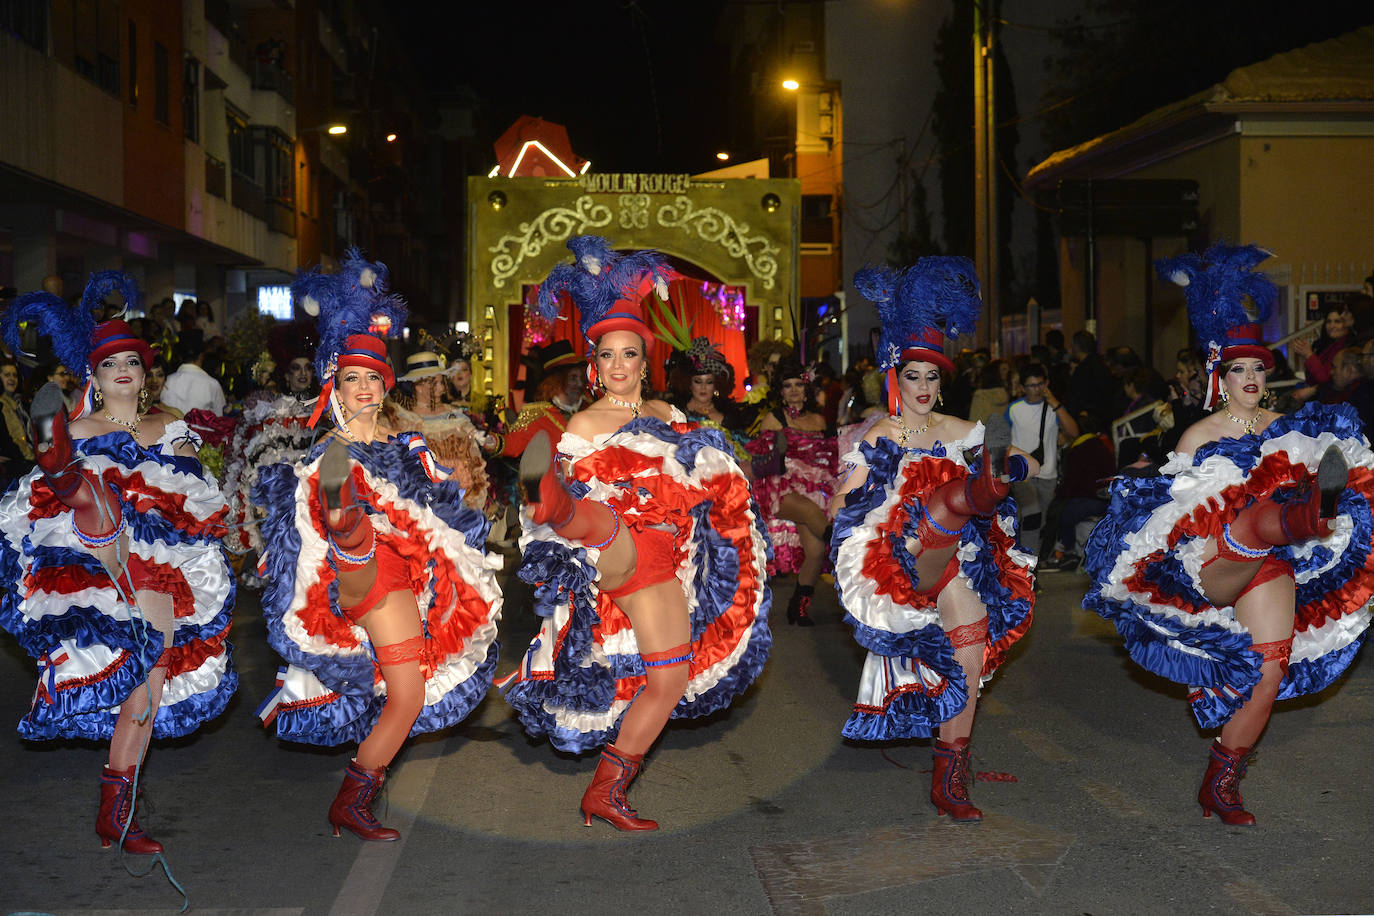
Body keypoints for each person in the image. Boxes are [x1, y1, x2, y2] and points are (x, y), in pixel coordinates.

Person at [1085, 243, 1374, 826]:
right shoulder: (1197, 436)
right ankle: (1302, 516)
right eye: (1238, 368)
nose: (1250, 377)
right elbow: (1176, 515)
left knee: (1271, 671)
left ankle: (1223, 778)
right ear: (1219, 373)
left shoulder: (1291, 431)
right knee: (1252, 525)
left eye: (1258, 367)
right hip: (1211, 561)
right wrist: (1140, 487)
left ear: (1268, 374)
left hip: (1271, 561)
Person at [499, 235, 771, 831]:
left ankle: (608, 788)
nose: (618, 366)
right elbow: (581, 469)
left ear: (645, 363)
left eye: (628, 355)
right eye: (607, 356)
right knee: (604, 526)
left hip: (667, 558)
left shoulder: (670, 418)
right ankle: (553, 502)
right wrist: (555, 490)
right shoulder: (584, 420)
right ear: (594, 365)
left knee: (669, 680)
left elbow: (709, 473)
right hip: (612, 547)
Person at [252, 253, 502, 843]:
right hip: (364, 577)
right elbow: (307, 544)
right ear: (332, 387)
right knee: (408, 691)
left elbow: (441, 511)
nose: (363, 389)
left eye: (372, 379)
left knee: (405, 694)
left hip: (412, 577)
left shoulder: (402, 443)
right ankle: (354, 798)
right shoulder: (326, 455)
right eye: (350, 379)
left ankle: (354, 796)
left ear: (386, 385)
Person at [0, 273, 236, 854]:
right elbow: (29, 507)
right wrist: (65, 465)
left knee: (147, 686)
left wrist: (181, 460)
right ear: (95, 379)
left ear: (144, 371)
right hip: (98, 556)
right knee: (95, 500)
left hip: (158, 567)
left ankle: (117, 809)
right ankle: (64, 471)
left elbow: (196, 495)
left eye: (132, 360)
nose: (124, 369)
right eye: (111, 364)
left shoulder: (172, 426)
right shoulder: (79, 428)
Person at [830, 259, 1037, 823]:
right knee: (939, 510)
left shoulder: (960, 431)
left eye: (933, 378)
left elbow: (1023, 459)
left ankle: (951, 773)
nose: (924, 388)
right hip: (902, 561)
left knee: (969, 652)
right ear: (895, 375)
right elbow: (843, 506)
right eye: (914, 376)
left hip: (956, 560)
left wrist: (1011, 463)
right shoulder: (879, 434)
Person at [747, 357, 838, 625]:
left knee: (815, 551)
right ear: (780, 391)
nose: (794, 390)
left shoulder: (820, 418)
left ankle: (798, 607)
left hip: (815, 487)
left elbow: (832, 456)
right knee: (813, 514)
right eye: (788, 386)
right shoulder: (774, 419)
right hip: (780, 488)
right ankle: (846, 546)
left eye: (799, 384)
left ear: (808, 388)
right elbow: (763, 460)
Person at [1007, 362, 1077, 553]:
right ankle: (1028, 569)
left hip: (1048, 473)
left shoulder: (1054, 408)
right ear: (1022, 387)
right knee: (1033, 515)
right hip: (1023, 473)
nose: (1036, 389)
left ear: (1046, 383)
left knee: (1038, 521)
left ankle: (1025, 559)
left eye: (1040, 384)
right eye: (1031, 385)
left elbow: (1073, 431)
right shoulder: (1014, 409)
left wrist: (1055, 402)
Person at [161, 342, 227, 415]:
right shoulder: (212, 384)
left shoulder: (166, 381)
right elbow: (220, 418)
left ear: (180, 357)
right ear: (201, 356)